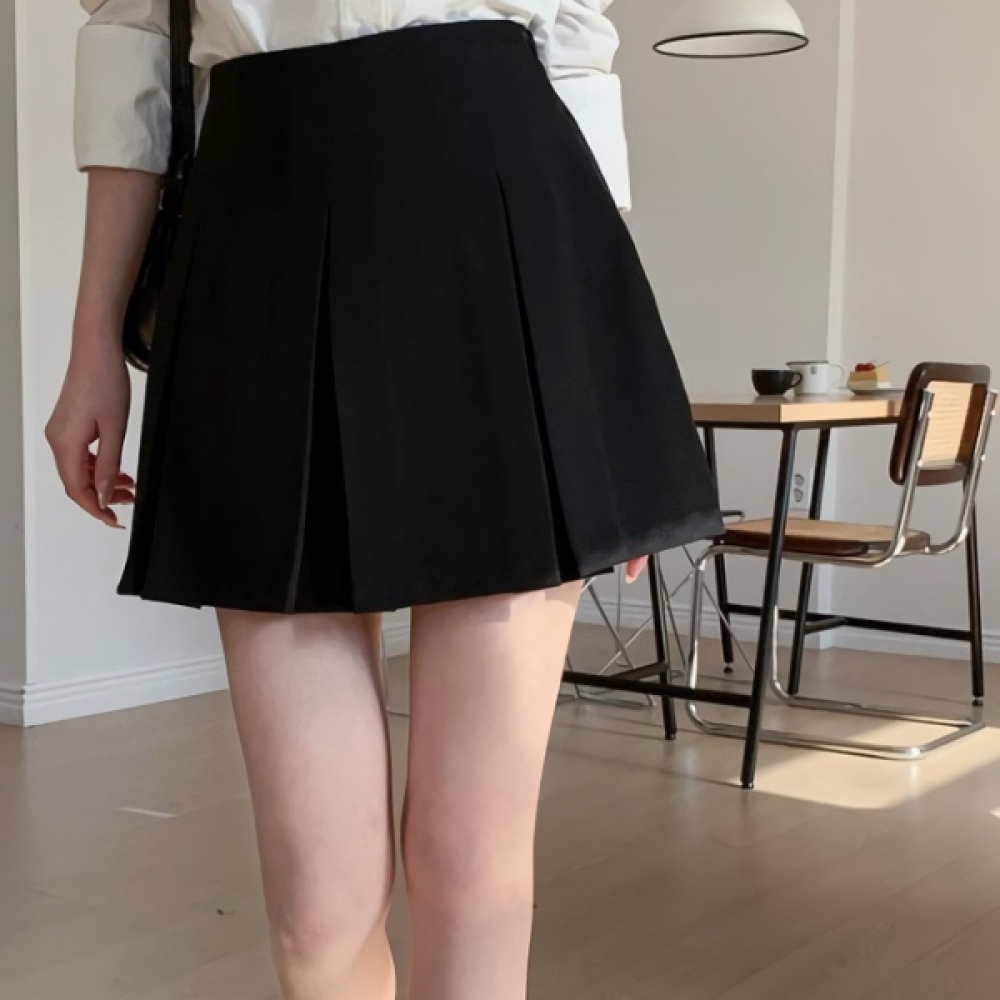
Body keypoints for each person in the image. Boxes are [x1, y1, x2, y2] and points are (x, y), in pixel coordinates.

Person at [46, 1, 723, 997]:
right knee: (318, 903)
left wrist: (597, 382)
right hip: (259, 245)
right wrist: (92, 341)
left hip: (507, 245)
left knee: (469, 867)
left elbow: (576, 58)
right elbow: (132, 41)